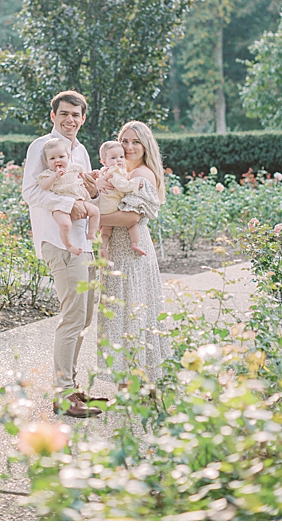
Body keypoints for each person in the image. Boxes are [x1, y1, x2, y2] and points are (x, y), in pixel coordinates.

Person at [21, 90, 106, 418]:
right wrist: (67, 205)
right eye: (64, 114)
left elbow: (85, 194)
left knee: (83, 318)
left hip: (83, 243)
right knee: (72, 317)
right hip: (58, 240)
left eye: (76, 115)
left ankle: (71, 386)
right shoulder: (41, 147)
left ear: (83, 119)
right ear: (53, 116)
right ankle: (63, 394)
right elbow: (30, 192)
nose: (70, 120)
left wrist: (93, 190)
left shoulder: (82, 151)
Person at [96, 120, 173, 387]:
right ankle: (127, 379)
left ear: (145, 146)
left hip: (131, 251)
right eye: (125, 141)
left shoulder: (142, 175)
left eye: (135, 142)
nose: (129, 147)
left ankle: (136, 380)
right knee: (120, 311)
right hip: (116, 248)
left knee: (132, 309)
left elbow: (130, 217)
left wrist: (93, 217)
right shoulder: (119, 171)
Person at [37, 138, 101, 256]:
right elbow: (44, 186)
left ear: (68, 157)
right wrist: (55, 176)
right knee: (65, 224)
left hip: (79, 200)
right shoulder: (48, 174)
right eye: (52, 158)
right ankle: (69, 245)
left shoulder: (73, 168)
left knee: (95, 211)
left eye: (61, 157)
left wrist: (93, 175)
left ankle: (91, 233)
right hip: (60, 205)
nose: (57, 161)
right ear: (47, 161)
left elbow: (83, 176)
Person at [95, 140, 146, 257]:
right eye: (113, 158)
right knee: (132, 224)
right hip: (112, 206)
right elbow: (122, 186)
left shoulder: (105, 171)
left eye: (121, 157)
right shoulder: (114, 172)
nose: (118, 160)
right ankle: (135, 243)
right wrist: (134, 184)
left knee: (106, 231)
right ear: (104, 161)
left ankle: (102, 248)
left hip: (104, 206)